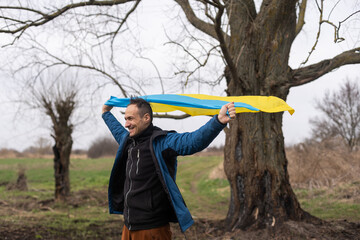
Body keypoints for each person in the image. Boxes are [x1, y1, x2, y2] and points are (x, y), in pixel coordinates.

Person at [102, 97, 235, 240]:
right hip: (128, 226)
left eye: (130, 119)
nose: (126, 124)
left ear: (146, 118)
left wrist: (218, 121)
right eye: (125, 119)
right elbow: (117, 130)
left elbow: (193, 141)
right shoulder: (128, 141)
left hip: (152, 229)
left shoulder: (163, 142)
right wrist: (105, 113)